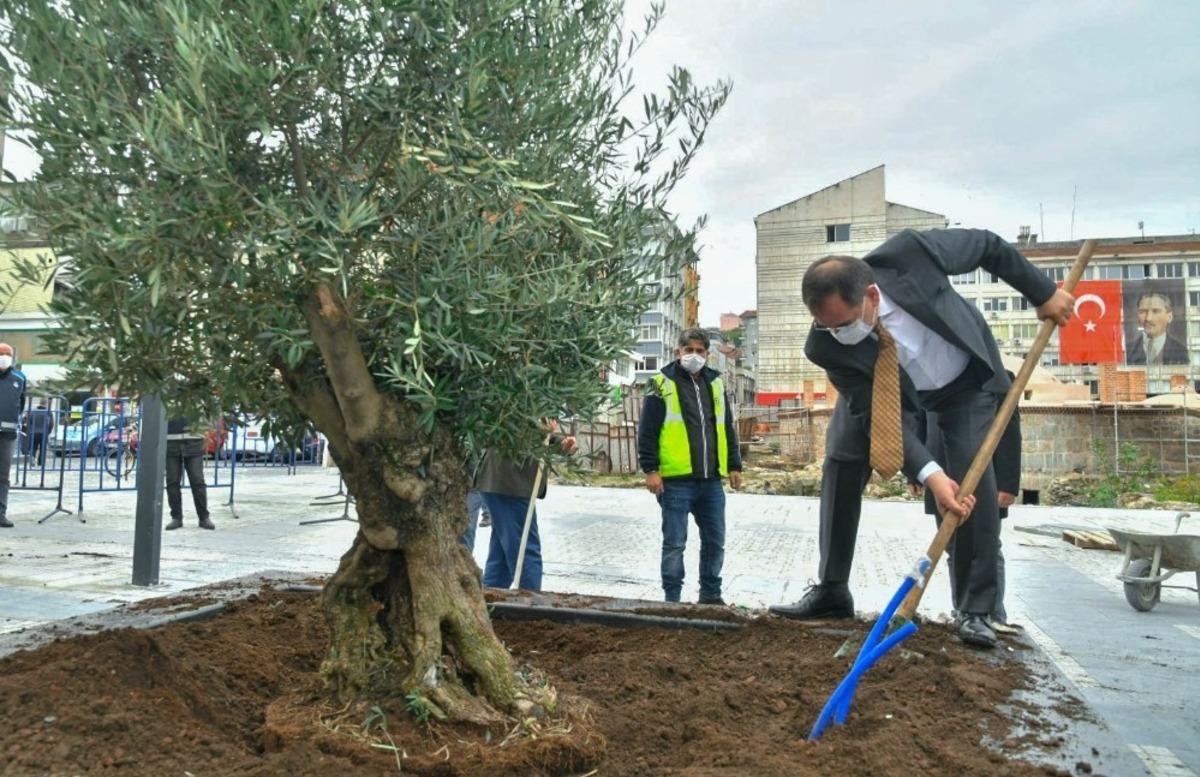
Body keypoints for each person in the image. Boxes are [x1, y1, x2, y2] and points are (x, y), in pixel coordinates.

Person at [768, 228, 1073, 648]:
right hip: (887, 393)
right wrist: (929, 473)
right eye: (827, 325)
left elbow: (988, 246)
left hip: (963, 385)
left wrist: (1042, 293)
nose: (838, 333)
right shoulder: (826, 345)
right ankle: (832, 589)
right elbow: (875, 415)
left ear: (872, 295)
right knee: (840, 457)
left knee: (969, 484)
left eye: (845, 323)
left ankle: (976, 609)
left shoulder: (909, 254)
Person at [637, 328, 744, 605]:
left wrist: (734, 465)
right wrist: (651, 470)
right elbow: (647, 429)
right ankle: (672, 598)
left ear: (708, 354)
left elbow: (725, 427)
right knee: (674, 543)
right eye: (689, 351)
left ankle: (710, 594)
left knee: (715, 541)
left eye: (700, 351)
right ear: (678, 352)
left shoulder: (717, 383)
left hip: (711, 481)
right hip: (674, 481)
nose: (694, 356)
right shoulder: (659, 382)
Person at [913, 387, 1021, 628]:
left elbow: (1010, 429)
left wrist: (1007, 482)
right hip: (941, 473)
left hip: (984, 476)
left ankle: (992, 613)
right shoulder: (929, 378)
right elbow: (921, 421)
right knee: (953, 544)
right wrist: (916, 474)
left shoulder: (994, 376)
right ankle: (964, 609)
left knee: (987, 545)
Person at [474, 422, 577, 590]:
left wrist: (560, 443)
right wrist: (540, 429)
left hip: (503, 481)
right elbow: (507, 426)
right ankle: (531, 610)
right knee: (526, 555)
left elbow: (535, 434)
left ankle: (493, 605)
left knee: (500, 559)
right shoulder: (514, 399)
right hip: (509, 481)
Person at [164, 416, 213, 530]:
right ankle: (176, 518)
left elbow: (206, 410)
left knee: (198, 481)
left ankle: (203, 517)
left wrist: (206, 430)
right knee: (172, 482)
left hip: (194, 440)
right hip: (170, 440)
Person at [0, 343, 26, 528]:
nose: (4, 357)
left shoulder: (19, 378)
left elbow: (21, 404)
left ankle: (0, 514)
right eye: (1, 354)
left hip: (7, 435)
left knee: (3, 477)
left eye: (7, 354)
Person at [1126, 291, 1188, 366]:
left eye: (1155, 311)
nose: (1148, 318)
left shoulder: (1181, 351)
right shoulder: (1128, 350)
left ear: (1169, 317)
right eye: (1142, 312)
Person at [23, 400, 55, 467]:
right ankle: (41, 463)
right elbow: (51, 424)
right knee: (43, 449)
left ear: (39, 403)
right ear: (46, 404)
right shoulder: (48, 412)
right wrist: (48, 432)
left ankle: (32, 460)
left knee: (33, 447)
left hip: (33, 432)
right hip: (44, 433)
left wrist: (29, 431)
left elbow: (28, 422)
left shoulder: (32, 411)